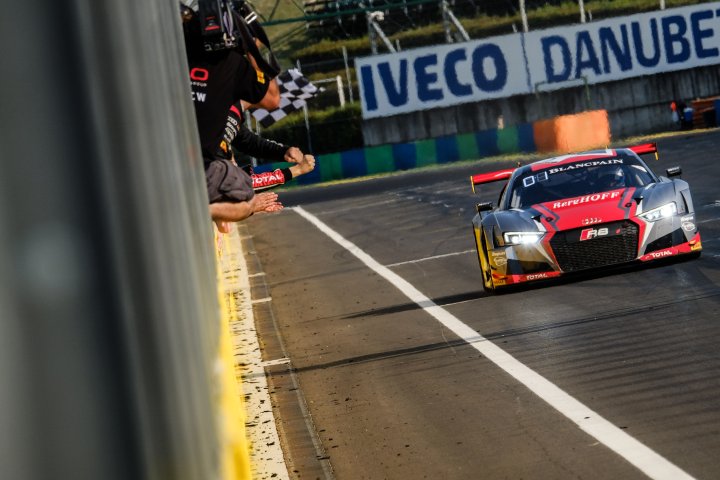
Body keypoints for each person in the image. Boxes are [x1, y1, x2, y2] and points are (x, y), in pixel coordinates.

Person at [181, 1, 283, 229]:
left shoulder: (171, 50)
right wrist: (252, 49)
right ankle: (203, 209)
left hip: (156, 158)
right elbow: (273, 99)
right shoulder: (233, 63)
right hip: (200, 168)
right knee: (248, 200)